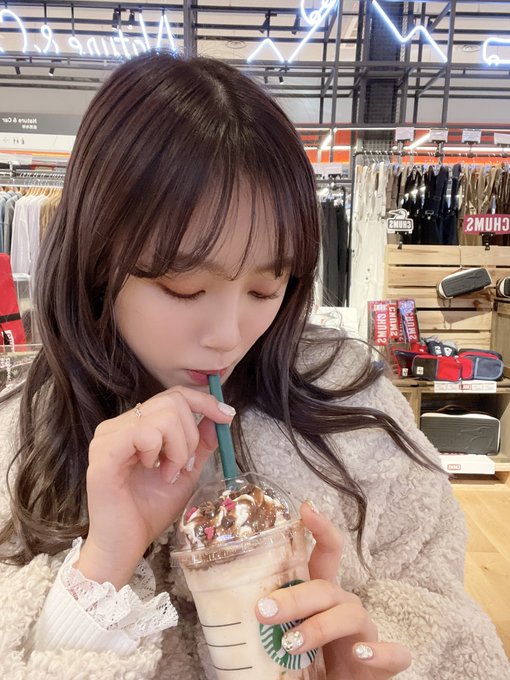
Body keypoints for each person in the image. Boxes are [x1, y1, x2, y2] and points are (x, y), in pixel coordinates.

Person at [0, 52, 508, 680]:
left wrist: (370, 662)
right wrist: (104, 563)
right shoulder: (20, 443)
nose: (227, 336)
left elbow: (447, 621)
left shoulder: (358, 414)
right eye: (185, 288)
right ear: (98, 260)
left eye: (267, 289)